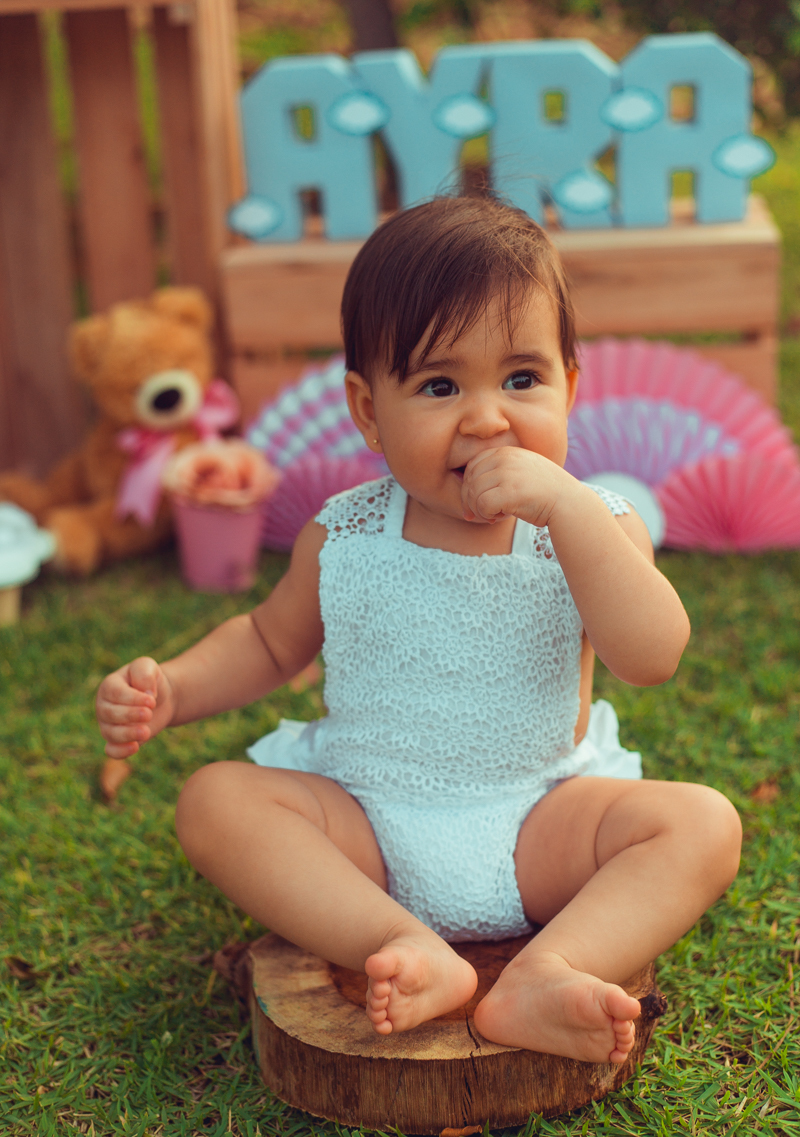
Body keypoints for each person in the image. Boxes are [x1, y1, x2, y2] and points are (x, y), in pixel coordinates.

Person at [96, 196, 742, 1065]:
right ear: (369, 412)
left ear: (571, 387)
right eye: (440, 386)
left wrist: (567, 508)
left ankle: (547, 971)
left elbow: (652, 655)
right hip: (368, 828)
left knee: (702, 825)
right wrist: (173, 689)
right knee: (215, 801)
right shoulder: (347, 533)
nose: (486, 419)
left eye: (522, 379)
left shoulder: (594, 524)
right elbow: (268, 642)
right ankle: (401, 943)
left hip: (540, 824)